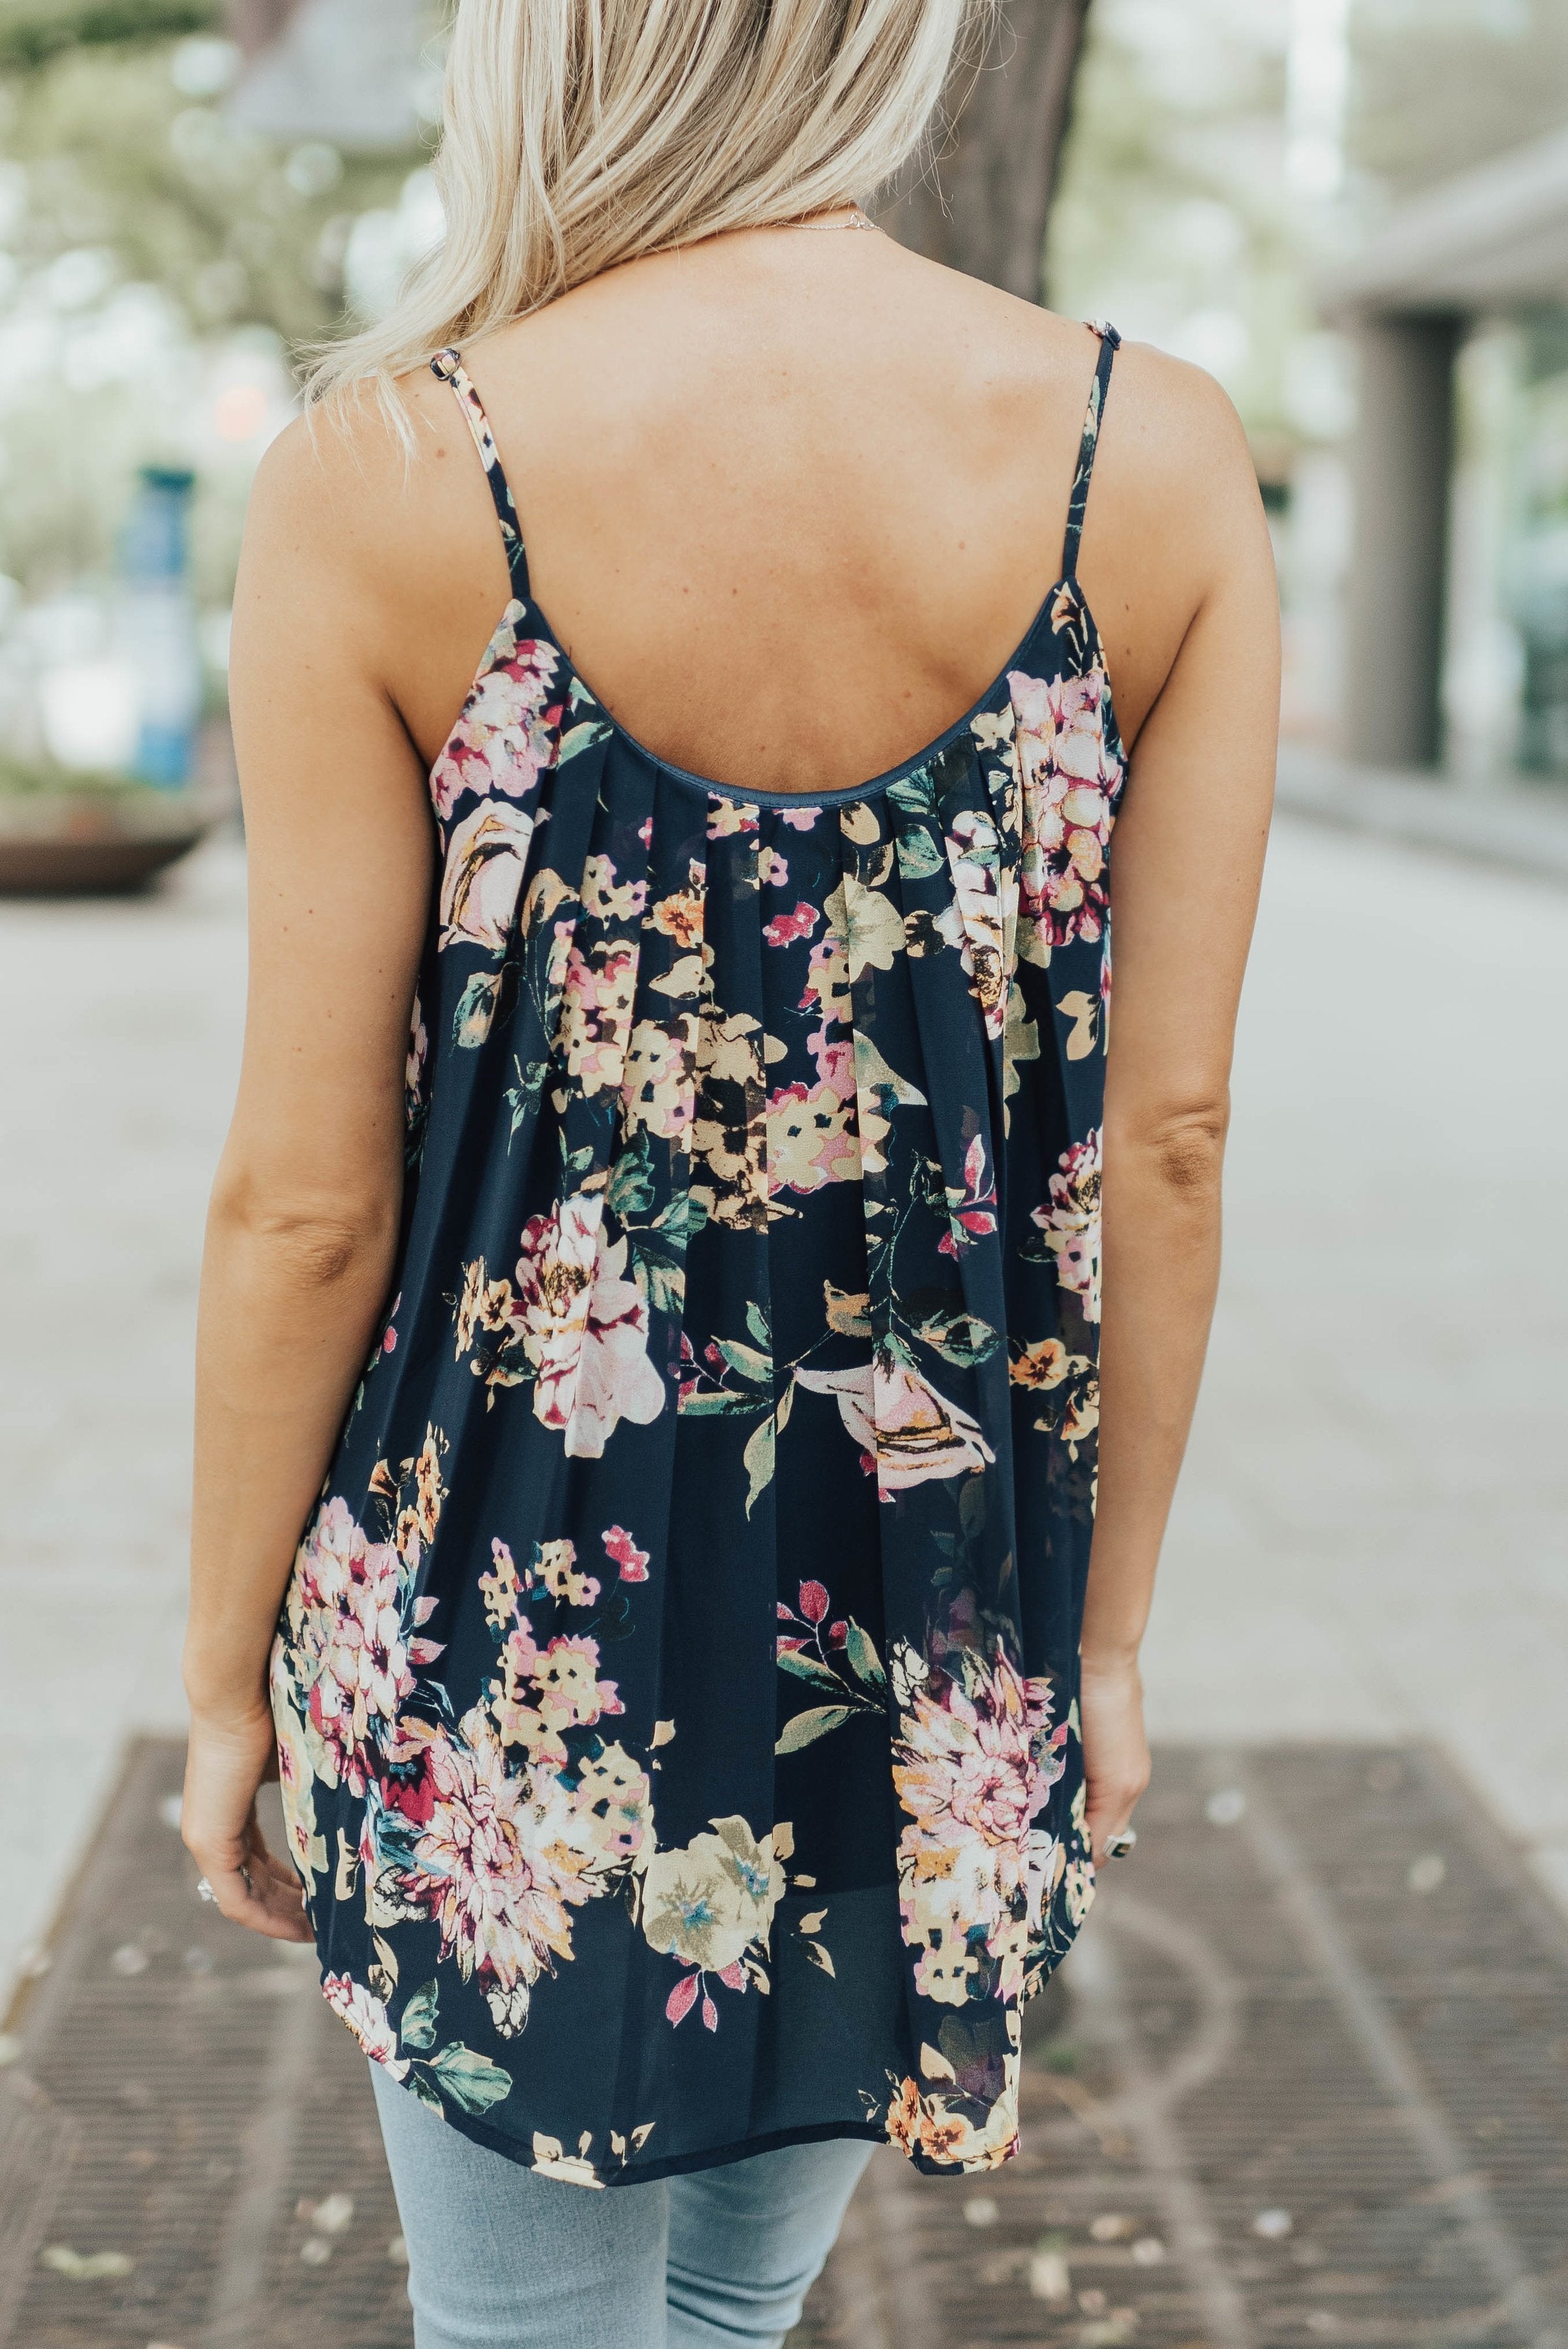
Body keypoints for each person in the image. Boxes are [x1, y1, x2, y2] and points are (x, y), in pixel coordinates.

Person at [179, 1, 1278, 2341]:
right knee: (724, 2317)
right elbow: (1162, 1150)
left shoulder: (390, 468)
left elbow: (306, 1196)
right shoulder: (1149, 456)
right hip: (923, 1565)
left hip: (493, 1571)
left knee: (526, 2327)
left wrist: (218, 1676)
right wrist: (1095, 1639)